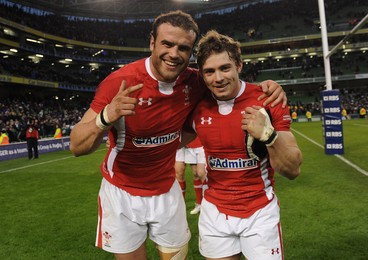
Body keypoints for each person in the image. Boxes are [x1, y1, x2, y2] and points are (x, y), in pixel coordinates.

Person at [70, 10, 286, 260]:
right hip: (121, 192)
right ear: (152, 42)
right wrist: (107, 116)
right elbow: (77, 145)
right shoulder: (120, 82)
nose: (174, 54)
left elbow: (228, 80)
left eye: (183, 48)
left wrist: (269, 87)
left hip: (166, 191)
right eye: (167, 44)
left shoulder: (196, 81)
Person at [185, 30, 302, 260]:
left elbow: (293, 169)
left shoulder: (267, 100)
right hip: (215, 213)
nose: (217, 78)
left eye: (225, 68)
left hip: (260, 212)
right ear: (201, 75)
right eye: (209, 71)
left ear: (239, 65)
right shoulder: (196, 106)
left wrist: (268, 135)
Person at [175, 136, 206, 214]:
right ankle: (181, 207)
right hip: (180, 142)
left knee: (196, 173)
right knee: (179, 172)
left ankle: (200, 204)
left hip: (191, 142)